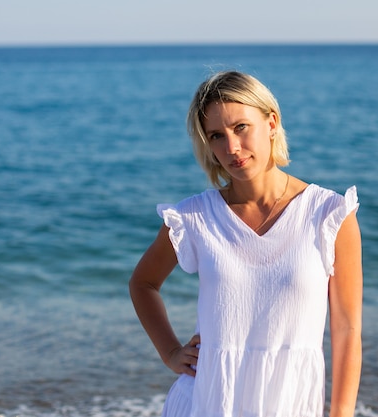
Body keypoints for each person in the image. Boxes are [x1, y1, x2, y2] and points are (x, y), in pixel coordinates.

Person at [129, 71, 363, 417]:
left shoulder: (329, 214)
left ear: (271, 122)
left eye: (241, 128)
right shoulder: (195, 217)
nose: (231, 148)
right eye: (216, 136)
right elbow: (143, 283)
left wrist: (341, 414)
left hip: (290, 402)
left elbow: (347, 329)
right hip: (207, 400)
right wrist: (171, 353)